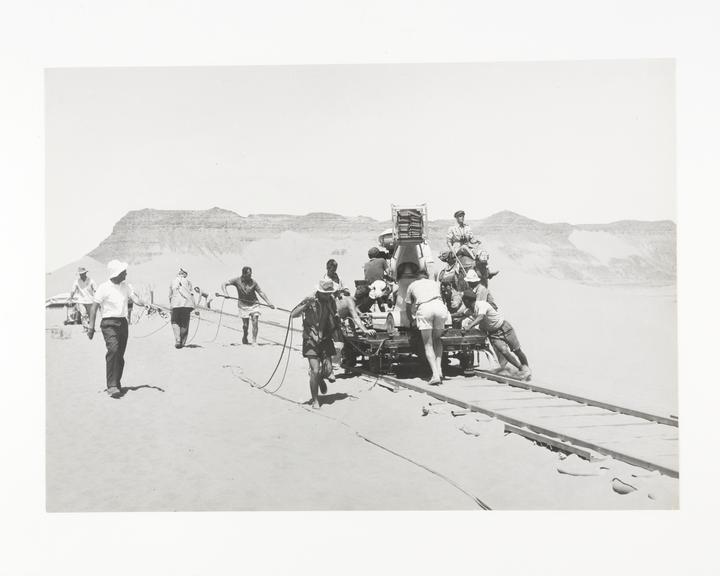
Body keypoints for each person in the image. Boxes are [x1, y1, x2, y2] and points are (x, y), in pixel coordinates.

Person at [86, 260, 151, 398]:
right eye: (123, 272)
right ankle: (111, 385)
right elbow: (94, 308)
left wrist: (145, 303)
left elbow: (135, 299)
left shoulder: (126, 286)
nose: (126, 274)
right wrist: (91, 327)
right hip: (108, 323)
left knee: (120, 355)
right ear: (116, 273)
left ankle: (116, 382)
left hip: (123, 323)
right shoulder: (103, 288)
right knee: (113, 350)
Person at [459, 289, 531, 380]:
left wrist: (469, 326)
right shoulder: (470, 310)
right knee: (504, 351)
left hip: (505, 328)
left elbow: (481, 317)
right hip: (494, 335)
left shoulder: (481, 305)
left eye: (463, 301)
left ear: (467, 301)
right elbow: (461, 314)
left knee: (517, 351)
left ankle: (527, 369)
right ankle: (521, 369)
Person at [291, 279, 341, 409]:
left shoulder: (331, 300)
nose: (328, 295)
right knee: (315, 370)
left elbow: (334, 316)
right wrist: (305, 304)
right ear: (319, 291)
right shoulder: (310, 299)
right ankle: (315, 400)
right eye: (325, 293)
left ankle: (319, 378)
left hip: (325, 338)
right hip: (310, 338)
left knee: (328, 370)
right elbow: (293, 314)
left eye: (330, 292)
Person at [404, 264, 449, 385]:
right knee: (437, 339)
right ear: (427, 275)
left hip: (425, 307)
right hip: (439, 307)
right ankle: (439, 369)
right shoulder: (435, 284)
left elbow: (408, 307)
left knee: (428, 344)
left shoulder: (412, 285)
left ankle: (435, 375)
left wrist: (411, 320)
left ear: (416, 276)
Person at [222, 266, 275, 345]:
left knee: (255, 321)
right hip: (243, 305)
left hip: (254, 304)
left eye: (251, 274)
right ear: (243, 274)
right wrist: (226, 293)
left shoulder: (253, 282)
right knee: (245, 325)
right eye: (248, 275)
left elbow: (260, 292)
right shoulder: (236, 280)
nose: (250, 276)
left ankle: (254, 341)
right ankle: (245, 335)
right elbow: (224, 284)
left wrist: (269, 303)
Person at [169, 267, 198, 348]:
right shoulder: (188, 282)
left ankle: (178, 340)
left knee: (175, 322)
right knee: (184, 323)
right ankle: (182, 342)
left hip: (175, 304)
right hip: (187, 305)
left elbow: (170, 295)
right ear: (185, 274)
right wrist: (195, 307)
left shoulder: (172, 281)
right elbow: (191, 294)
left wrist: (171, 306)